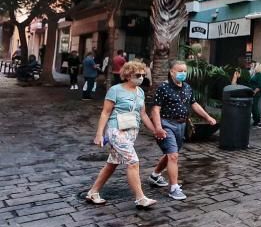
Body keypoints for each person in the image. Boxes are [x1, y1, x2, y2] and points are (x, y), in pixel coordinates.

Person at [84, 61, 166, 209]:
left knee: (112, 164)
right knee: (133, 162)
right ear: (128, 75)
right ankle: (140, 198)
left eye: (143, 75)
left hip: (131, 131)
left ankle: (93, 192)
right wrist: (99, 134)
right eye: (138, 75)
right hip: (116, 130)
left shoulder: (140, 92)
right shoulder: (115, 90)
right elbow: (105, 113)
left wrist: (155, 130)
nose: (141, 78)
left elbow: (143, 115)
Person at [149, 60, 217, 201]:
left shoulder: (187, 87)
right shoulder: (163, 88)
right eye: (179, 71)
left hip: (181, 125)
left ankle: (155, 176)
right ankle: (174, 188)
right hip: (166, 123)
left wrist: (207, 117)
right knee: (173, 156)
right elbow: (155, 109)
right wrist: (158, 127)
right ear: (172, 72)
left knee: (171, 154)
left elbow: (194, 104)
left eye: (184, 71)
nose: (183, 74)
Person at [250, 63, 261, 128]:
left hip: (256, 93)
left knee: (254, 106)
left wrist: (254, 92)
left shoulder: (260, 75)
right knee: (254, 106)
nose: (254, 68)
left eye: (255, 66)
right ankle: (256, 121)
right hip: (254, 92)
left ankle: (258, 121)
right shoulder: (257, 74)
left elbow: (259, 86)